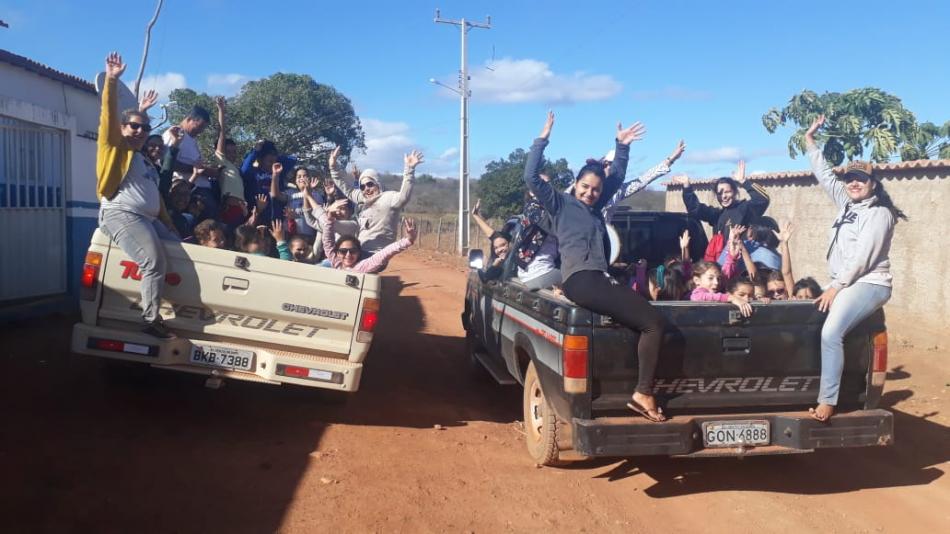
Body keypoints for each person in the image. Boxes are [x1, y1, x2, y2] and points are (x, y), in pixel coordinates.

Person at [523, 111, 669, 422]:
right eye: (585, 187)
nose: (590, 193)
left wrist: (621, 146)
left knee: (638, 321)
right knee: (653, 323)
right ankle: (643, 391)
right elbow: (531, 177)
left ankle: (629, 386)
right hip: (582, 280)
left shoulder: (595, 208)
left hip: (595, 279)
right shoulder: (560, 204)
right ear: (575, 184)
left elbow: (614, 177)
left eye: (595, 190)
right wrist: (543, 137)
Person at [805, 114, 905, 421]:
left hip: (870, 282)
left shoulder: (880, 213)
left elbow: (863, 257)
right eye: (850, 179)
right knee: (810, 319)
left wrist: (836, 287)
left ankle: (828, 400)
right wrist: (810, 141)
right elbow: (824, 175)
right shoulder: (846, 202)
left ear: (873, 183)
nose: (854, 183)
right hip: (846, 281)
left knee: (831, 332)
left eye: (860, 179)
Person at [95, 52, 179, 338]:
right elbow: (108, 116)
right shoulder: (114, 148)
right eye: (134, 126)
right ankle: (150, 318)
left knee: (184, 251)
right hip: (122, 214)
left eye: (144, 128)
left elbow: (155, 194)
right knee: (153, 262)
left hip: (148, 219)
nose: (140, 131)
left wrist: (168, 224)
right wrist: (111, 80)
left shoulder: (142, 159)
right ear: (122, 129)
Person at [329, 146, 423, 256]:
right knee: (330, 262)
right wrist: (333, 166)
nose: (366, 189)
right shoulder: (363, 198)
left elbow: (404, 197)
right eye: (362, 186)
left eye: (370, 184)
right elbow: (346, 188)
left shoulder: (389, 198)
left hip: (376, 254)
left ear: (377, 183)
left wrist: (409, 170)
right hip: (359, 251)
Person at [670, 159, 770, 262]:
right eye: (720, 193)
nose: (724, 196)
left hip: (742, 264)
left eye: (727, 192)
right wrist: (687, 187)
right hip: (722, 266)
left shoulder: (744, 209)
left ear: (735, 192)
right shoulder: (717, 215)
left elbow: (763, 200)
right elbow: (695, 209)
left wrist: (744, 181)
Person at [320, 209, 418, 273]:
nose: (348, 255)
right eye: (343, 251)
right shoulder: (336, 261)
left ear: (359, 253)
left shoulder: (362, 267)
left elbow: (385, 253)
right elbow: (328, 242)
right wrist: (329, 221)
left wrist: (408, 240)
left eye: (353, 251)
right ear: (337, 253)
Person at [212, 97, 247, 227]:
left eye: (234, 151)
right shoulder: (222, 162)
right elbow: (222, 134)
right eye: (228, 151)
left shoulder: (236, 169)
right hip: (230, 208)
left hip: (241, 209)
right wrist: (221, 111)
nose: (232, 154)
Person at [689, 260, 754, 316]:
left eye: (718, 278)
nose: (716, 282)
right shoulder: (697, 293)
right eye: (710, 278)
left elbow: (726, 275)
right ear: (697, 280)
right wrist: (731, 298)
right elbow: (699, 297)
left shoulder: (717, 289)